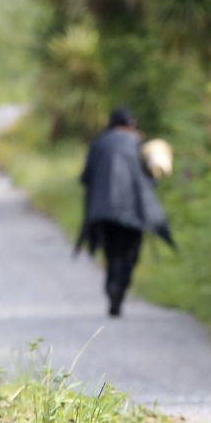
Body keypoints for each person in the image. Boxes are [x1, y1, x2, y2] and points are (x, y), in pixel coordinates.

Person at [76, 107, 173, 317]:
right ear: (131, 125)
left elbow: (85, 178)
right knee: (130, 254)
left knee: (111, 252)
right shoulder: (140, 145)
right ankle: (120, 289)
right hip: (133, 211)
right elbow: (151, 179)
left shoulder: (99, 143)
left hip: (103, 211)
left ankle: (112, 287)